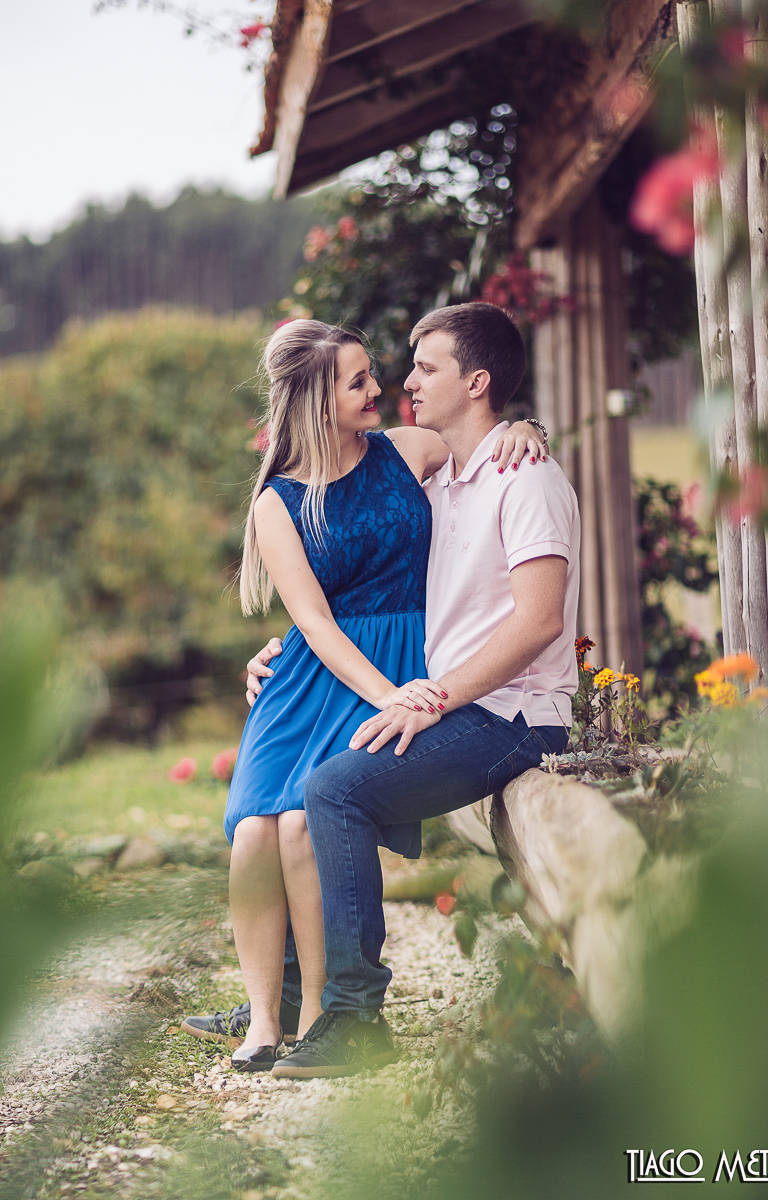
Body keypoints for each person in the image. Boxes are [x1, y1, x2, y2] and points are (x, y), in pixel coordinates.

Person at [181, 317, 544, 1071]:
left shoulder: (407, 450)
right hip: (323, 672)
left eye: (372, 373)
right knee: (253, 833)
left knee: (299, 825)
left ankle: (321, 1013)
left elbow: (483, 439)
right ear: (318, 401)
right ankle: (264, 1022)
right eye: (359, 381)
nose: (379, 387)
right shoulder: (276, 502)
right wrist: (391, 697)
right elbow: (313, 621)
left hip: (398, 661)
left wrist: (527, 427)